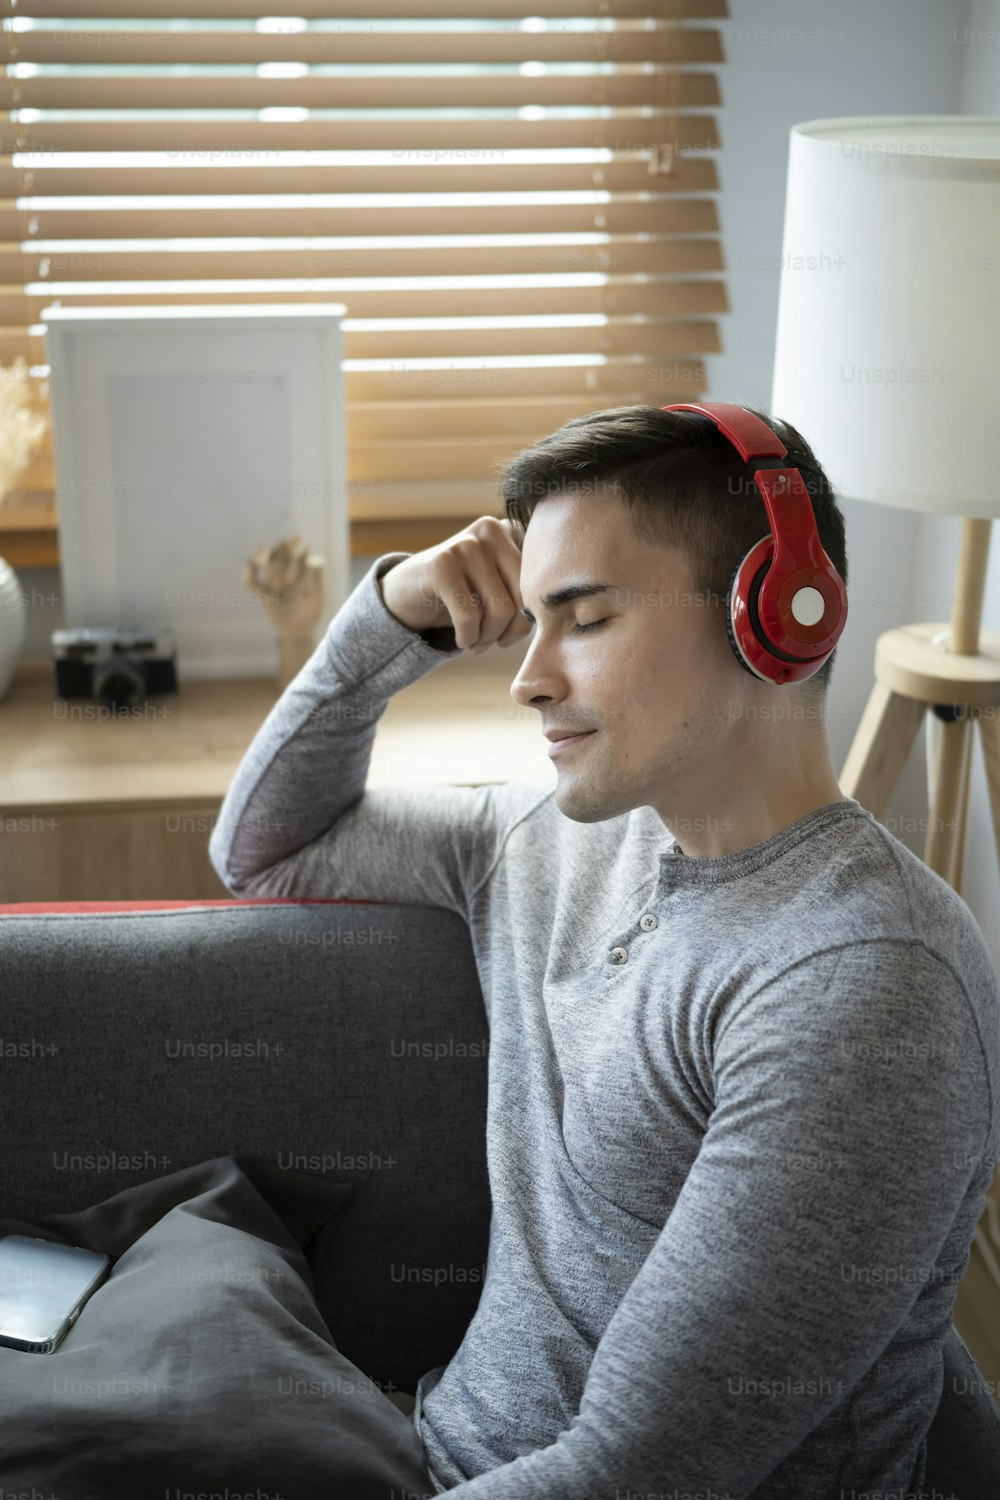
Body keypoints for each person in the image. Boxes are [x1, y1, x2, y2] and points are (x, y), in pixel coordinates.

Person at [208, 403, 1000, 1499]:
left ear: (779, 614)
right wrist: (392, 617)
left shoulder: (864, 984)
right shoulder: (543, 840)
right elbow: (263, 850)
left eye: (581, 618)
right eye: (528, 621)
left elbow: (632, 1476)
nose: (527, 676)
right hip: (429, 1450)